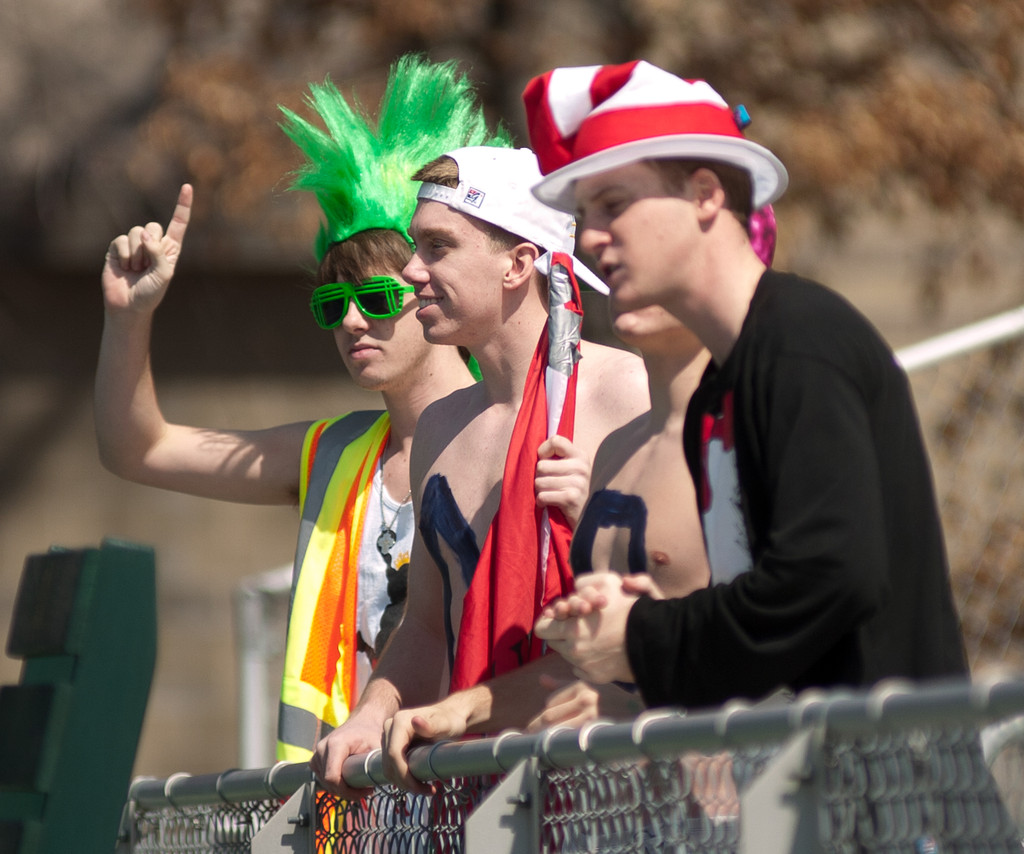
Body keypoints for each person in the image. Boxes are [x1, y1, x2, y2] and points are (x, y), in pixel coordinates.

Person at [94, 55, 508, 762]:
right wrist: (129, 318)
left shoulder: (510, 431)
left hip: (473, 788)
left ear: (429, 288)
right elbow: (139, 449)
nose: (350, 321)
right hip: (351, 803)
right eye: (331, 303)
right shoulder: (335, 454)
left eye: (375, 298)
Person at [525, 60, 969, 709]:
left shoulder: (801, 342)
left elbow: (831, 576)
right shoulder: (725, 385)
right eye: (586, 213)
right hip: (806, 763)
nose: (590, 237)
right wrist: (646, 617)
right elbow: (766, 593)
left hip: (891, 764)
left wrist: (646, 635)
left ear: (705, 195)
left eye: (613, 204)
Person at [311, 145, 650, 796]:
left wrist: (592, 521)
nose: (412, 271)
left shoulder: (626, 394)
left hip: (615, 798)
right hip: (478, 796)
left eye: (437, 247)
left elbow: (679, 601)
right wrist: (371, 713)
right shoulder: (441, 425)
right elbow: (426, 624)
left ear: (518, 264)